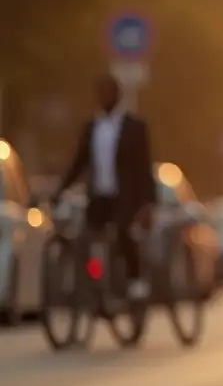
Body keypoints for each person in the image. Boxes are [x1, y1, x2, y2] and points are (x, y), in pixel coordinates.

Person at [52, 73, 157, 301]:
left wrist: (149, 204)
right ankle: (96, 278)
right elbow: (79, 163)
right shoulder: (92, 128)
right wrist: (60, 191)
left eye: (109, 93)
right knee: (87, 240)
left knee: (124, 234)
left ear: (118, 96)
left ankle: (134, 279)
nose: (105, 98)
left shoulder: (135, 127)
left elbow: (144, 166)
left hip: (126, 197)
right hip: (99, 196)